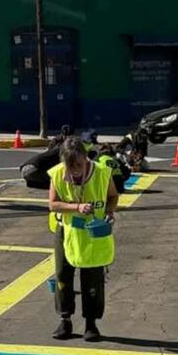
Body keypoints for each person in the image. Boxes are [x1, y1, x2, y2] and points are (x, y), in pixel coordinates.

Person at [48, 137, 119, 341]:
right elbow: (53, 204)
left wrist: (110, 212)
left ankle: (91, 323)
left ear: (85, 158)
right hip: (67, 230)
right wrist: (75, 207)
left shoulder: (102, 173)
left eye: (78, 165)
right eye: (69, 166)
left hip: (93, 232)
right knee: (63, 274)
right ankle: (65, 319)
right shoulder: (58, 174)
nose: (74, 170)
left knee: (93, 277)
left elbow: (113, 196)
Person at [20, 125, 75, 190]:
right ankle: (34, 182)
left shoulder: (56, 142)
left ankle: (32, 182)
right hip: (31, 170)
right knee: (55, 181)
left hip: (25, 168)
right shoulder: (62, 148)